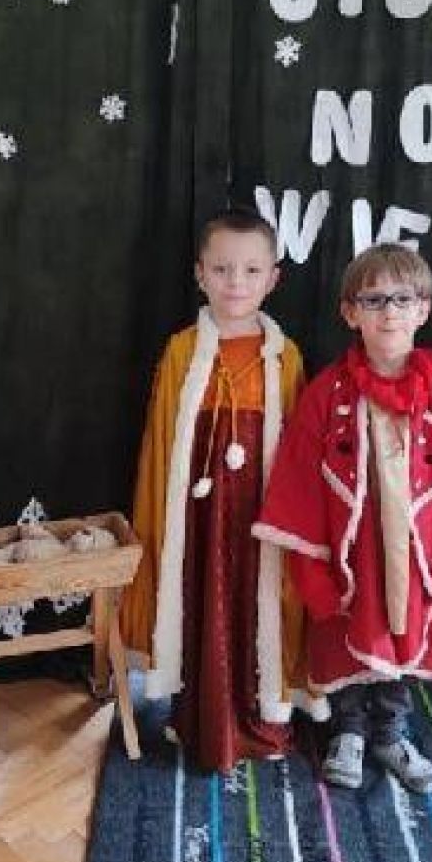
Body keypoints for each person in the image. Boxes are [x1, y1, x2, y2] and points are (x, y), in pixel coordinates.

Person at [254, 243, 432, 791]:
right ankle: (349, 731)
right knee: (348, 628)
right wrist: (313, 562)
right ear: (350, 313)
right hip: (353, 546)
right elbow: (299, 476)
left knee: (403, 629)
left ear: (423, 309)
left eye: (402, 299)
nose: (389, 312)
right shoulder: (326, 392)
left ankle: (390, 732)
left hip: (416, 548)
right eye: (374, 299)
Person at [120, 208, 327, 773]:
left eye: (251, 270)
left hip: (262, 508)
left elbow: (300, 450)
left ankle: (263, 719)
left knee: (258, 603)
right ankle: (201, 717)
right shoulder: (181, 350)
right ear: (200, 274)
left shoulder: (286, 356)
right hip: (198, 510)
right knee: (201, 597)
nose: (236, 282)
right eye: (222, 269)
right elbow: (162, 444)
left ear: (273, 278)